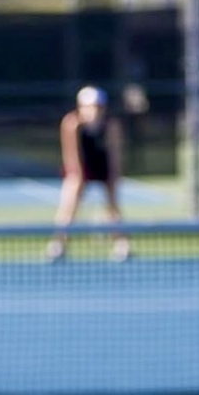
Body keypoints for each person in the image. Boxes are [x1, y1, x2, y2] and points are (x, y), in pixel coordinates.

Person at [45, 85, 130, 262]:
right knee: (69, 203)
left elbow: (114, 154)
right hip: (80, 164)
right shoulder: (71, 123)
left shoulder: (111, 125)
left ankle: (121, 245)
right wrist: (77, 177)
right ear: (80, 107)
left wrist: (113, 176)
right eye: (90, 106)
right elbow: (71, 155)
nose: (94, 110)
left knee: (113, 205)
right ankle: (58, 244)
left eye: (98, 106)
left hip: (102, 163)